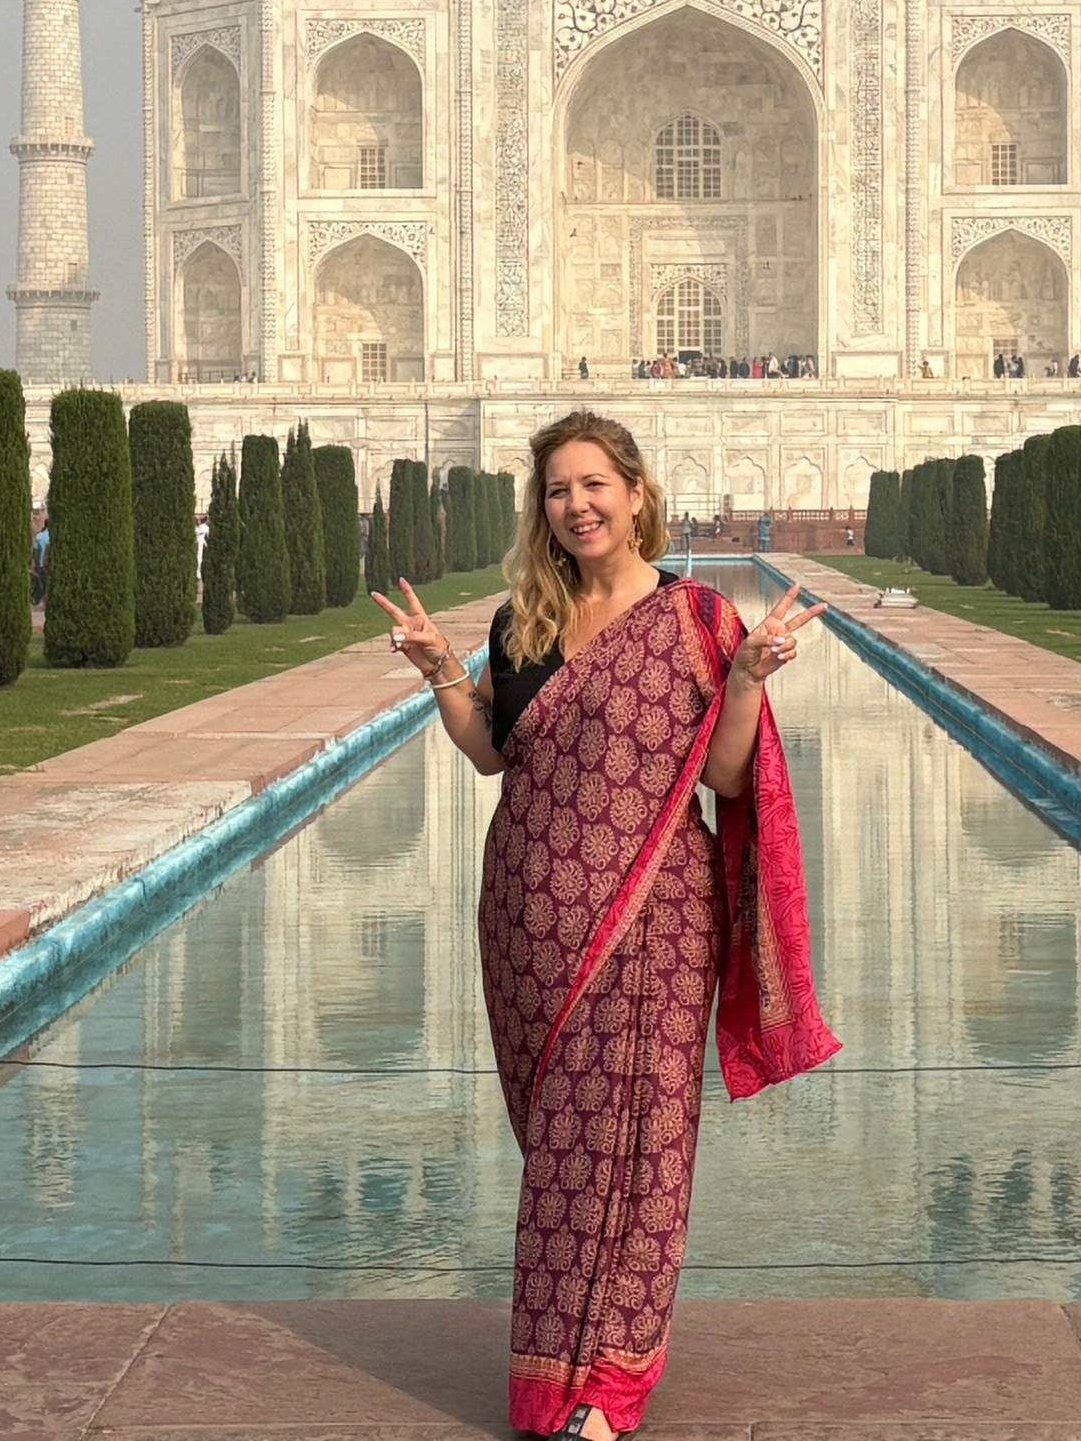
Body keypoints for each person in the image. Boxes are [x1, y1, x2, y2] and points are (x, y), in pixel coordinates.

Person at [373, 411, 836, 1441]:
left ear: (634, 492)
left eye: (594, 485)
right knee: (563, 1157)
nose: (576, 505)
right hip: (528, 916)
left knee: (640, 1147)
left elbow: (721, 776)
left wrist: (750, 678)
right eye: (556, 490)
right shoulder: (522, 620)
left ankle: (608, 1388)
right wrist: (441, 670)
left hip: (655, 920)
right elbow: (494, 754)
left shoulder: (697, 620)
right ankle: (556, 1373)